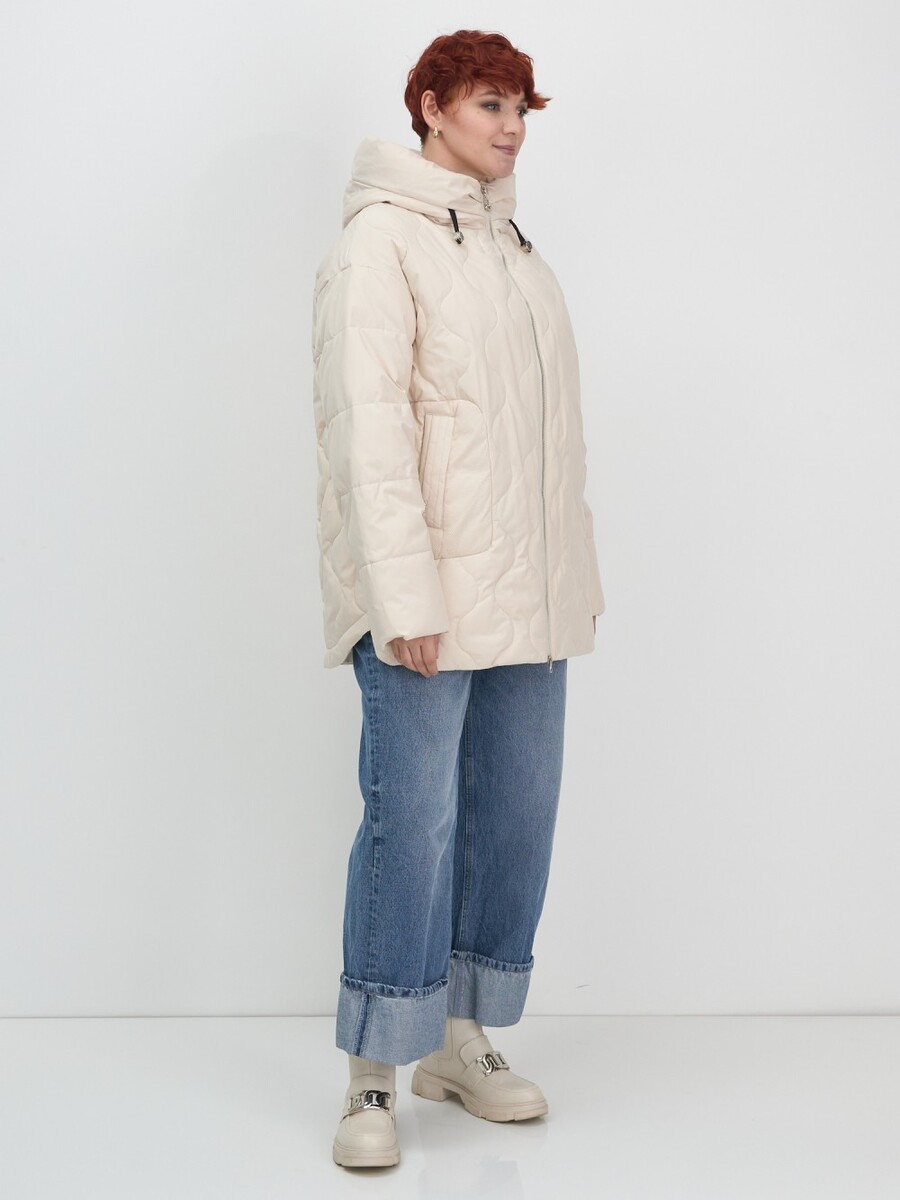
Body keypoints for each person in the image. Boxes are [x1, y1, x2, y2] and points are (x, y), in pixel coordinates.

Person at [311, 29, 605, 1169]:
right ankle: (372, 1071)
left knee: (515, 816)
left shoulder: (514, 252)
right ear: (430, 107)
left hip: (529, 599)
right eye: (490, 104)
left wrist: (570, 580)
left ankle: (458, 1040)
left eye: (522, 108)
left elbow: (545, 443)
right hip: (425, 601)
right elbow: (369, 431)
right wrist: (404, 596)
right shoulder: (379, 243)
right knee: (413, 824)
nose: (513, 127)